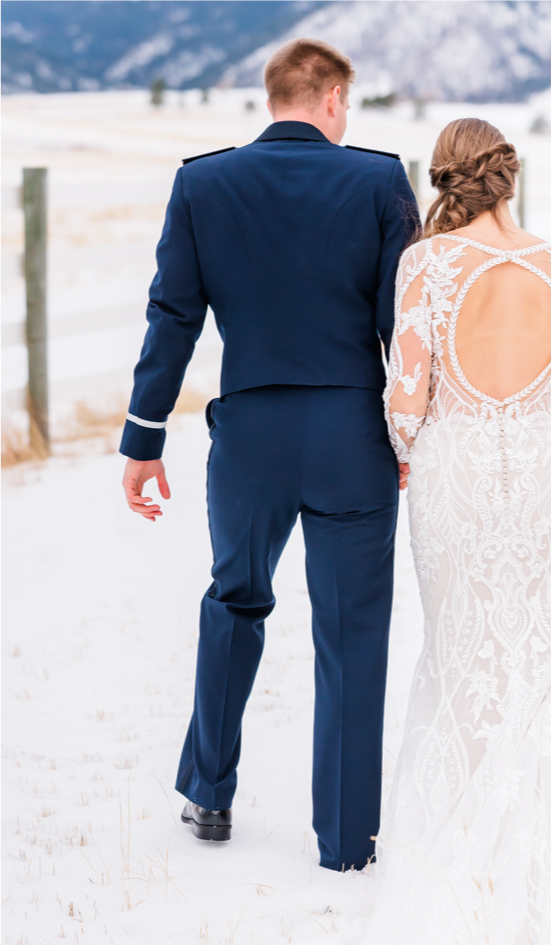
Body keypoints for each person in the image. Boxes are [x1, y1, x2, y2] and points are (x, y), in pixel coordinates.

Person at [331, 117, 551, 945]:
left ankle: (469, 859)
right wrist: (545, 475)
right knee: (543, 654)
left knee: (462, 654)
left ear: (445, 178)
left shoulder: (425, 268)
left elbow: (408, 399)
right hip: (542, 479)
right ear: (510, 176)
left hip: (456, 477)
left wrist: (410, 457)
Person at [118, 38, 417, 871]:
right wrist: (415, 436)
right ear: (329, 99)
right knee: (353, 634)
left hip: (248, 439)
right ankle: (348, 839)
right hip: (354, 437)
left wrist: (144, 440)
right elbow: (408, 325)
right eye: (346, 104)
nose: (346, 117)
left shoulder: (202, 182)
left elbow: (171, 316)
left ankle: (208, 793)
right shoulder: (378, 180)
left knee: (234, 602)